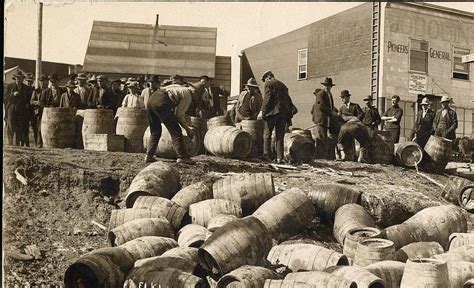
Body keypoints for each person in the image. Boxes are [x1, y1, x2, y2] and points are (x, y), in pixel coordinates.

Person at [145, 74, 196, 164]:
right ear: (195, 92)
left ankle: (149, 156)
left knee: (155, 131)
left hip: (152, 99)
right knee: (176, 131)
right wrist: (188, 130)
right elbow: (179, 115)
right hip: (162, 102)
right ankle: (182, 157)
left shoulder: (177, 87)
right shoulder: (188, 94)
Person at [257, 70, 295, 163]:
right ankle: (279, 158)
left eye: (265, 80)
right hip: (283, 114)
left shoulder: (269, 84)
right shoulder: (284, 86)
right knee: (279, 136)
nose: (265, 82)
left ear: (268, 77)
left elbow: (267, 98)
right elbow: (288, 101)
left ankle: (266, 155)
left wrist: (262, 111)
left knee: (267, 134)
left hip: (272, 114)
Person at [311, 77, 337, 159]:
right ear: (324, 85)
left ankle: (323, 156)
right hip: (321, 119)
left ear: (331, 86)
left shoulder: (329, 94)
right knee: (321, 138)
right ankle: (320, 157)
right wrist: (331, 112)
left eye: (329, 86)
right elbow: (321, 106)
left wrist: (332, 112)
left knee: (324, 138)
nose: (327, 87)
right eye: (326, 85)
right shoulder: (320, 94)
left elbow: (330, 106)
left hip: (326, 120)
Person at [5, 71, 32, 146]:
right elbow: (6, 98)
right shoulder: (10, 86)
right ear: (15, 78)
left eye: (20, 78)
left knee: (19, 126)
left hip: (21, 110)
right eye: (17, 78)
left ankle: (17, 144)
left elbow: (29, 99)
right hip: (12, 108)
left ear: (23, 79)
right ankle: (10, 143)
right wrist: (13, 94)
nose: (18, 80)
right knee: (10, 126)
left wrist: (26, 104)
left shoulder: (26, 88)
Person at [30, 74, 49, 147]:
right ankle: (38, 144)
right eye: (41, 81)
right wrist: (38, 103)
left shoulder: (48, 91)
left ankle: (44, 144)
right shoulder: (36, 91)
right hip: (38, 111)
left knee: (44, 128)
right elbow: (31, 101)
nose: (43, 83)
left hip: (46, 111)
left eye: (44, 81)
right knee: (37, 128)